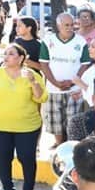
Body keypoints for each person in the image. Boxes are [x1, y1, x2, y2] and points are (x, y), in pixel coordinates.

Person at [0, 44, 47, 190]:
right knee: (1, 159)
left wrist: (33, 82)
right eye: (5, 53)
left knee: (27, 158)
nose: (6, 56)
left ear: (21, 58)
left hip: (27, 127)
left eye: (11, 54)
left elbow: (41, 97)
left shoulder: (32, 74)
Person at [39, 12, 90, 147]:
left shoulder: (81, 41)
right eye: (66, 25)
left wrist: (73, 81)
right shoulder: (48, 41)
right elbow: (44, 64)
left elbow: (85, 64)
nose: (70, 28)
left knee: (73, 120)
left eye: (72, 24)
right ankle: (59, 144)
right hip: (53, 89)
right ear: (58, 25)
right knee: (56, 121)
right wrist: (55, 83)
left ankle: (71, 146)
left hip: (74, 90)